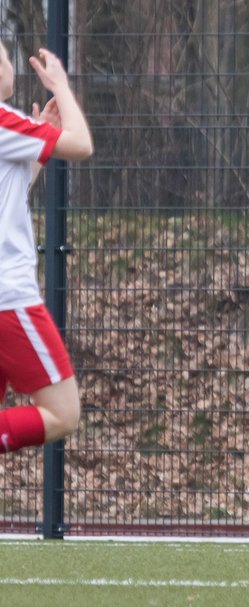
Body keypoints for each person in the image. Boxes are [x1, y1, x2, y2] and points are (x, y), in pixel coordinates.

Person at [0, 44, 94, 455]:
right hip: (9, 300)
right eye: (3, 58)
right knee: (62, 413)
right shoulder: (4, 123)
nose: (10, 66)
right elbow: (81, 145)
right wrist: (61, 86)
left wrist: (34, 150)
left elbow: (8, 199)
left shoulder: (12, 131)